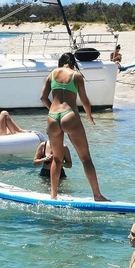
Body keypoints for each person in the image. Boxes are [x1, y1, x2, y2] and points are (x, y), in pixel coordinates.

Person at [39, 52, 107, 201]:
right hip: (69, 115)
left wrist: (52, 109)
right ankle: (97, 195)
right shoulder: (76, 75)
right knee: (85, 158)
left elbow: (43, 97)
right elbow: (85, 100)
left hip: (52, 117)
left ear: (60, 62)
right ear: (73, 63)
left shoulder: (52, 74)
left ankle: (53, 195)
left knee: (56, 159)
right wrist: (89, 115)